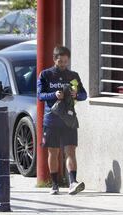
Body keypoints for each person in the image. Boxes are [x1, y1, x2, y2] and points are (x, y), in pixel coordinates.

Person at [37, 46, 87, 195]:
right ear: (55, 60)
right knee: (53, 152)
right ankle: (54, 184)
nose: (63, 64)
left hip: (69, 120)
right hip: (51, 120)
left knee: (70, 150)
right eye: (60, 61)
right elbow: (40, 95)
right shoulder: (45, 75)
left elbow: (84, 95)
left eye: (65, 61)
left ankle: (73, 182)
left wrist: (75, 94)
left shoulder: (73, 76)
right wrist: (54, 94)